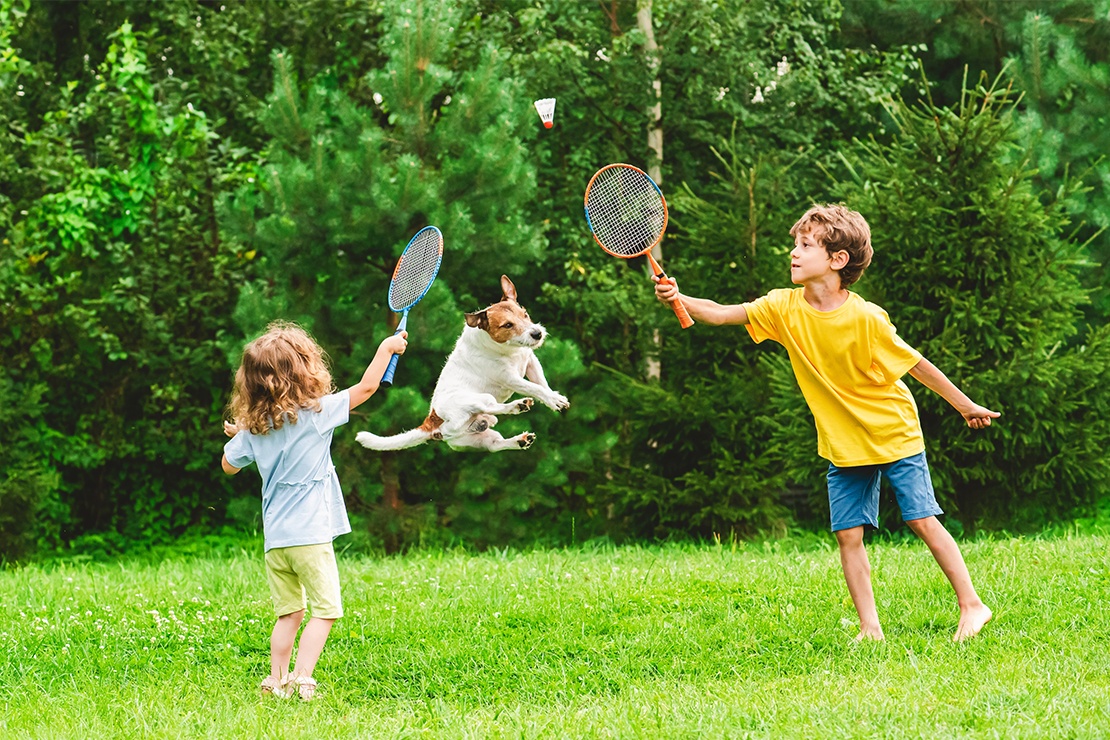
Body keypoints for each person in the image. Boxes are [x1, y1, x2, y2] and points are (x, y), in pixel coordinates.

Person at [654, 204, 998, 641]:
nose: (793, 252)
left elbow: (916, 364)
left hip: (892, 431)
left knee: (921, 520)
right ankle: (870, 628)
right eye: (795, 244)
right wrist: (679, 298)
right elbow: (721, 313)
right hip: (842, 441)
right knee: (848, 536)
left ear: (838, 259)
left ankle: (973, 605)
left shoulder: (866, 317)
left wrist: (965, 406)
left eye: (805, 245)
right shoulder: (782, 306)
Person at [221, 320, 407, 699]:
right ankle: (302, 678)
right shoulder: (318, 414)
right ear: (305, 371)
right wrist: (386, 348)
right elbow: (367, 387)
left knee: (289, 614)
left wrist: (243, 434)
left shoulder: (255, 430)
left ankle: (275, 680)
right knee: (326, 611)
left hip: (276, 543)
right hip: (310, 538)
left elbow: (228, 466)